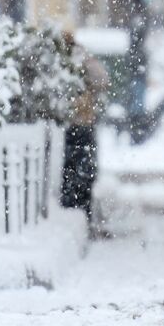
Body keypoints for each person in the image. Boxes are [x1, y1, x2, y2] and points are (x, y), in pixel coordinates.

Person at [61, 43, 110, 235]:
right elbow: (103, 80)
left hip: (74, 124)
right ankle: (82, 211)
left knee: (74, 171)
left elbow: (102, 80)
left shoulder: (65, 61)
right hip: (81, 123)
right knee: (83, 171)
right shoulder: (80, 59)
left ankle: (77, 209)